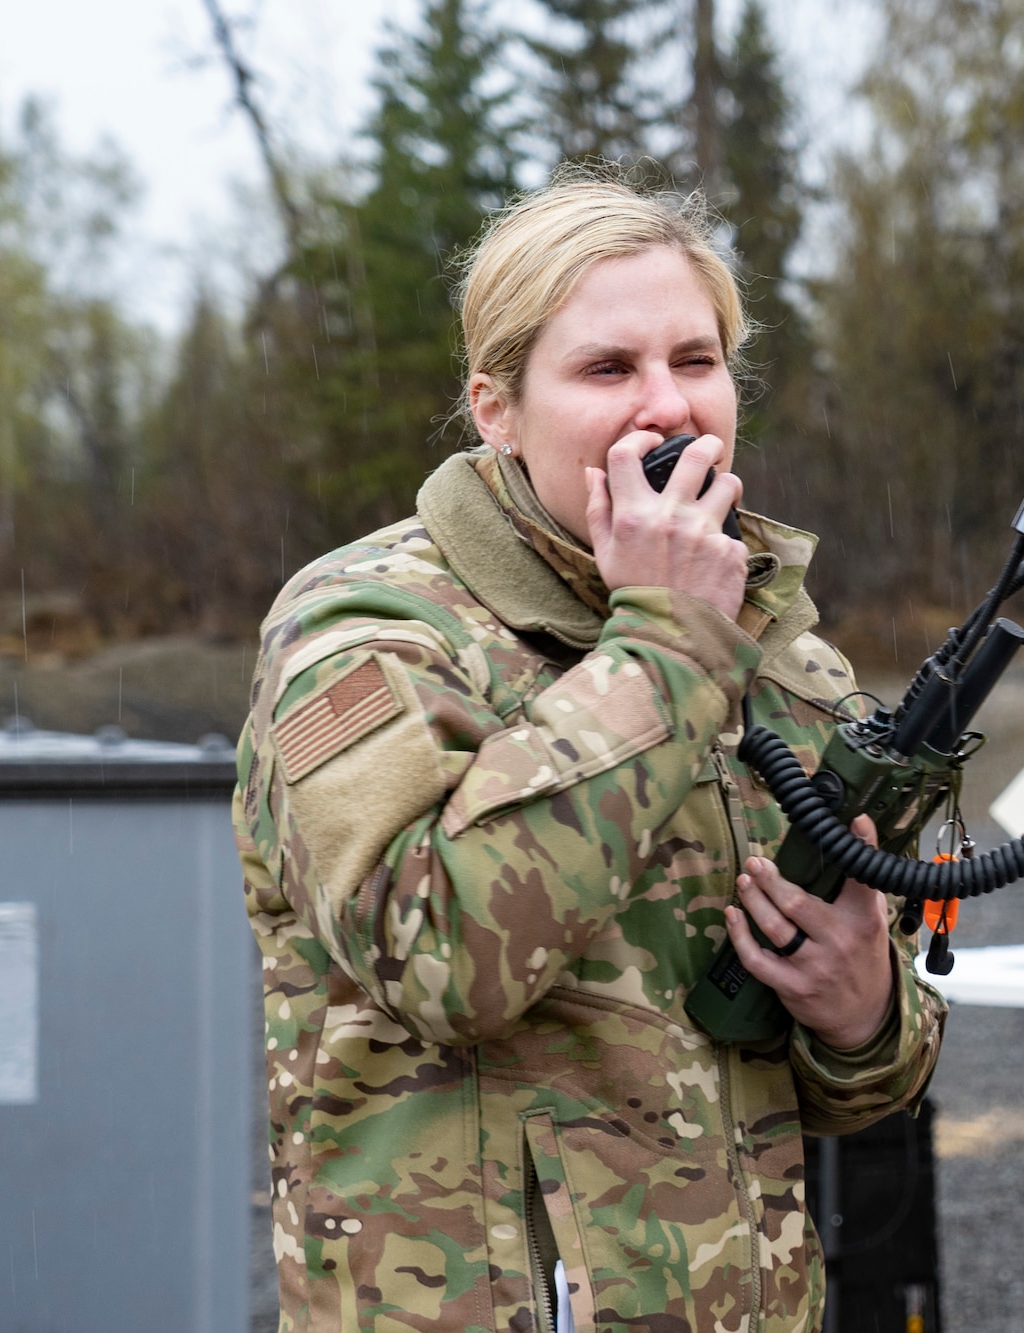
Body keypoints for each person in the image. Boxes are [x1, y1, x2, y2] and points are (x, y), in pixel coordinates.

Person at [233, 174, 946, 1332]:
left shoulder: (777, 655)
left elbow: (855, 1081)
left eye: (696, 361)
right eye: (606, 370)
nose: (664, 407)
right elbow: (442, 961)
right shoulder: (363, 633)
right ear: (495, 409)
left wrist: (864, 1010)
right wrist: (665, 645)